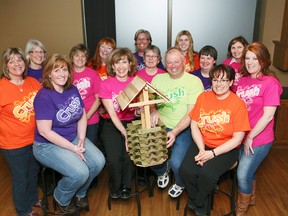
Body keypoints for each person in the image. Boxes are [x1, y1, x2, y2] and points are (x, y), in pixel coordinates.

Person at [32, 54, 105, 214]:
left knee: (99, 162)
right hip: (47, 145)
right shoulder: (44, 96)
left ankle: (80, 194)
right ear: (48, 73)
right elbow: (45, 131)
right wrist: (74, 149)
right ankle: (61, 197)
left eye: (64, 69)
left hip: (72, 137)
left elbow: (81, 116)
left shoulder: (72, 89)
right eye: (56, 70)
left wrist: (80, 140)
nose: (61, 74)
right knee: (80, 172)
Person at [179, 64, 250, 216]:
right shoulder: (203, 97)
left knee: (206, 174)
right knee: (185, 170)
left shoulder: (238, 104)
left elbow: (238, 139)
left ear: (231, 82)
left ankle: (198, 202)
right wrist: (201, 149)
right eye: (216, 80)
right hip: (202, 143)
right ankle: (197, 198)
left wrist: (212, 154)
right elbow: (194, 125)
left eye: (224, 80)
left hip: (226, 148)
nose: (219, 84)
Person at [234, 42, 282, 216]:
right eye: (247, 58)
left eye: (255, 58)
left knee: (242, 174)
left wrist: (250, 137)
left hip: (258, 139)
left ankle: (241, 210)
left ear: (263, 60)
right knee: (249, 169)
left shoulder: (271, 82)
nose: (250, 62)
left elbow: (268, 116)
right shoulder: (242, 80)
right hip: (241, 135)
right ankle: (251, 198)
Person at [150, 47, 203, 198]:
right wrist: (154, 110)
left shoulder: (194, 81)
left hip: (184, 128)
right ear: (165, 64)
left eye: (176, 62)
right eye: (169, 62)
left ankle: (180, 182)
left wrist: (174, 132)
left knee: (177, 164)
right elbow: (151, 101)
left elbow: (191, 113)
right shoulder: (158, 79)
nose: (173, 65)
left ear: (184, 62)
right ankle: (162, 170)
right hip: (161, 125)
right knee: (150, 156)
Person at [0, 47, 42, 216]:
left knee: (33, 172)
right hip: (13, 144)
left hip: (36, 139)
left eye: (19, 60)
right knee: (20, 177)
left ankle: (32, 199)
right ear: (6, 66)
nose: (16, 64)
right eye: (12, 61)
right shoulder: (2, 87)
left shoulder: (32, 82)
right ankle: (23, 210)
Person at [99, 48, 138, 200]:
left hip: (132, 123)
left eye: (124, 62)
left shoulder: (136, 82)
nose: (121, 66)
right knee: (114, 158)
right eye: (117, 63)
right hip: (112, 125)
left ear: (130, 64)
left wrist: (138, 112)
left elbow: (137, 111)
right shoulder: (106, 84)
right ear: (112, 66)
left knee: (129, 156)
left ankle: (126, 186)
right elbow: (112, 113)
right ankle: (115, 185)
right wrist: (124, 132)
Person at [70, 43, 102, 146]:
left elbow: (98, 99)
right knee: (75, 148)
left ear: (86, 58)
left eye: (83, 55)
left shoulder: (93, 74)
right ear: (72, 57)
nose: (80, 58)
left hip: (91, 118)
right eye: (77, 55)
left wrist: (86, 117)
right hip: (72, 120)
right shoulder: (66, 74)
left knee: (90, 148)